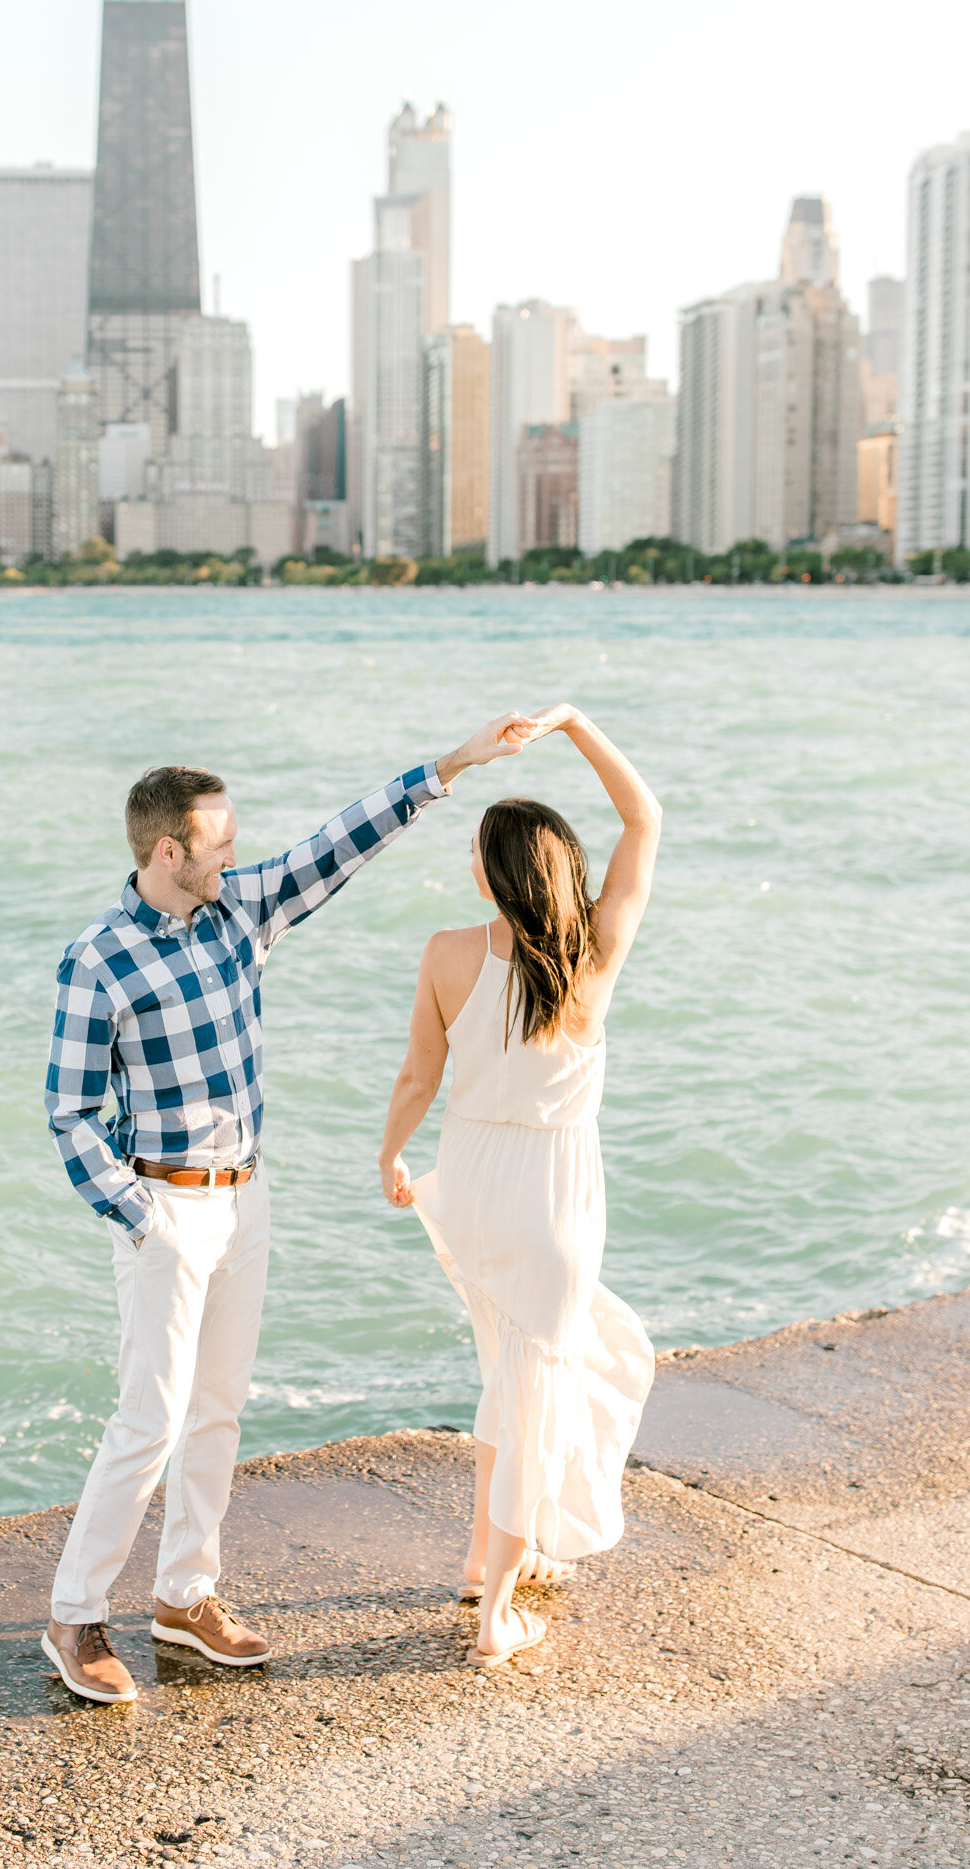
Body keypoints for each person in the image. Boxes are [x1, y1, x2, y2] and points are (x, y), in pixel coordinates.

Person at [41, 714, 532, 1703]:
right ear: (167, 849)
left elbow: (337, 842)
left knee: (217, 1408)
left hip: (246, 1192)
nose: (236, 853)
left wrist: (448, 768)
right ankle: (74, 1613)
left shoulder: (239, 908)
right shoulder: (96, 960)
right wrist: (138, 1214)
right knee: (151, 1416)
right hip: (164, 1208)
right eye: (218, 841)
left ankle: (184, 1594)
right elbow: (68, 1109)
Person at [377, 704, 660, 1668]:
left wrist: (389, 1158)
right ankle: (498, 1612)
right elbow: (644, 818)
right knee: (540, 1385)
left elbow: (417, 1076)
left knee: (512, 1376)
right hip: (551, 1194)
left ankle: (481, 1559)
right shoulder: (591, 955)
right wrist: (575, 723)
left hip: (469, 1182)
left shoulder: (448, 953)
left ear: (492, 874)